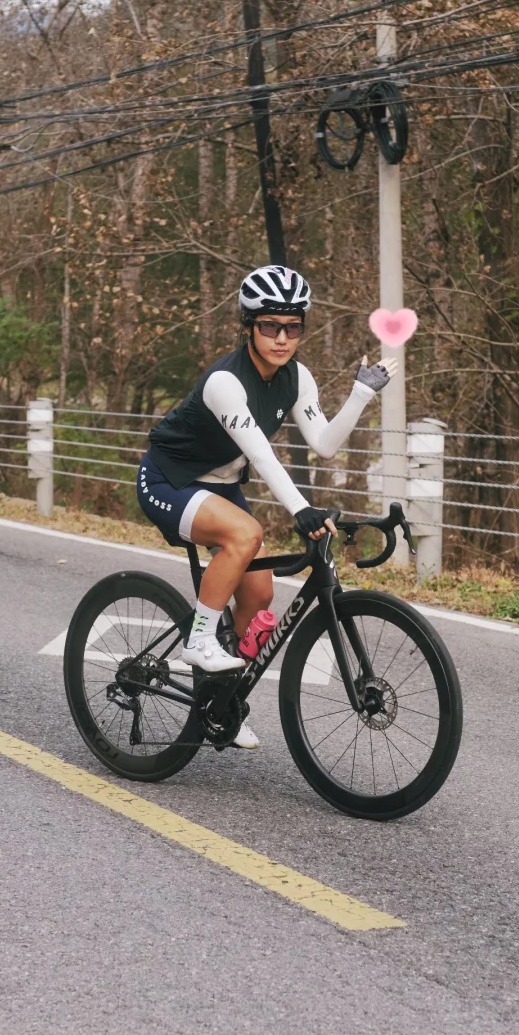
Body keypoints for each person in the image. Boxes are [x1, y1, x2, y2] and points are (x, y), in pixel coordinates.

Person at [136, 265, 395, 749]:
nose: (281, 338)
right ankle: (198, 640)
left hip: (222, 486)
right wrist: (301, 510)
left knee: (257, 598)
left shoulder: (296, 378)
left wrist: (361, 393)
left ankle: (219, 700)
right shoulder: (224, 383)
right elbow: (260, 452)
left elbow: (324, 445)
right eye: (269, 326)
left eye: (292, 327)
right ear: (248, 327)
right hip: (169, 481)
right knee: (245, 535)